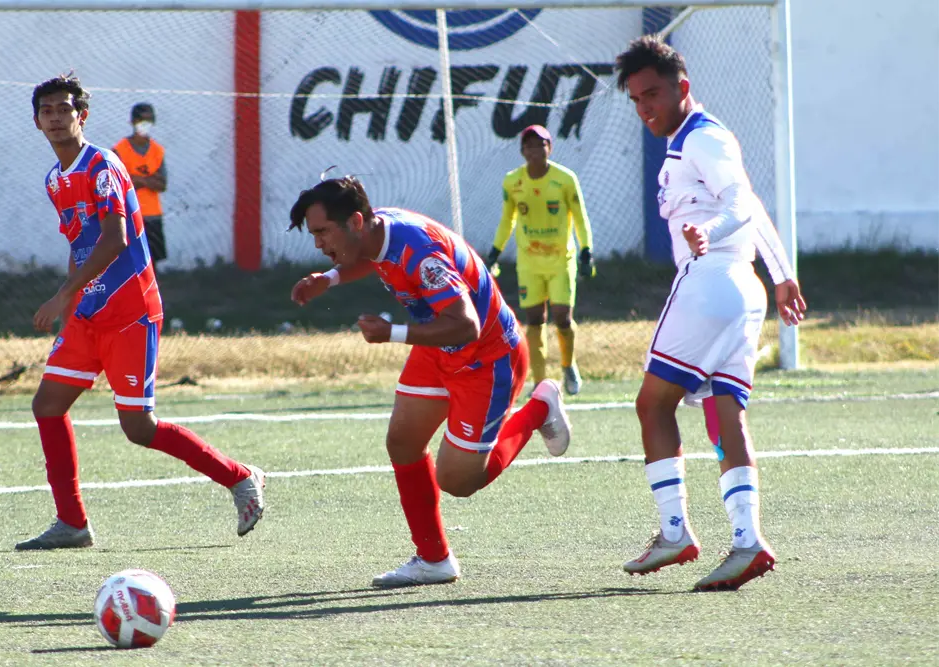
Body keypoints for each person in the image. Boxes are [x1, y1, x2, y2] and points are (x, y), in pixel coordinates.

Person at [18, 75, 264, 550]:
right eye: (45, 109)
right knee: (47, 405)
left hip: (130, 313)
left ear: (81, 116)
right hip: (89, 315)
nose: (54, 116)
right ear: (36, 121)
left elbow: (116, 238)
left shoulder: (103, 165)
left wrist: (61, 294)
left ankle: (239, 477)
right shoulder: (55, 180)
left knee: (139, 428)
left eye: (63, 108)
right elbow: (80, 243)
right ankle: (72, 523)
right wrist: (72, 303)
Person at [289, 175, 572, 587]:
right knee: (402, 442)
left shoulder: (420, 254)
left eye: (321, 232)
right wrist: (328, 279)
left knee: (458, 481)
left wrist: (392, 334)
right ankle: (434, 559)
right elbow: (369, 258)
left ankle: (539, 408)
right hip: (438, 348)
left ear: (353, 221)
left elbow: (466, 326)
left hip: (487, 358)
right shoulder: (374, 230)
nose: (318, 243)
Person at [615, 37, 807, 591]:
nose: (645, 106)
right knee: (725, 414)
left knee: (652, 405)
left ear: (683, 87)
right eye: (636, 98)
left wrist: (712, 233)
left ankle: (675, 531)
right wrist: (781, 272)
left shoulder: (703, 137)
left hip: (711, 280)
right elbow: (746, 199)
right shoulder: (694, 139)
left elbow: (739, 202)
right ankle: (747, 542)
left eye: (653, 93)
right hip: (743, 288)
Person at [485, 124, 595, 396]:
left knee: (562, 317)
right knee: (534, 319)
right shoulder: (513, 182)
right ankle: (541, 382)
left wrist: (586, 250)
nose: (535, 150)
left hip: (560, 259)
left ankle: (568, 365)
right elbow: (507, 220)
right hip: (530, 262)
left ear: (550, 148)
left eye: (541, 144)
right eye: (529, 146)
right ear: (522, 151)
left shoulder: (565, 179)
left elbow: (580, 218)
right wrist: (495, 252)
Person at [113, 103, 168, 271]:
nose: (145, 124)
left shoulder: (157, 151)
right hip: (128, 215)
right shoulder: (119, 150)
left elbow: (162, 184)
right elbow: (118, 183)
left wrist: (137, 179)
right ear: (132, 122)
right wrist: (149, 179)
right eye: (141, 120)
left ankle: (152, 297)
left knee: (152, 264)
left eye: (149, 120)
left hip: (152, 215)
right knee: (128, 264)